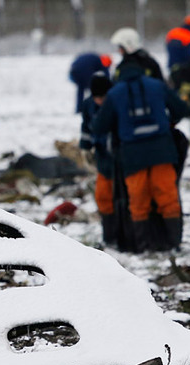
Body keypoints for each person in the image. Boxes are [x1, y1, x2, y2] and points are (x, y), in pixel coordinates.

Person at [92, 63, 189, 252]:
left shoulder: (115, 93)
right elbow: (181, 109)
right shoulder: (157, 85)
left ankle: (143, 245)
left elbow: (100, 126)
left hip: (133, 157)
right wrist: (168, 122)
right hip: (162, 151)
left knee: (138, 201)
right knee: (167, 197)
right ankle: (173, 243)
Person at [79, 73, 116, 244]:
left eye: (103, 96)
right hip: (102, 157)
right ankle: (109, 235)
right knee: (103, 196)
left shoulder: (116, 103)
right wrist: (85, 148)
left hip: (119, 157)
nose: (99, 100)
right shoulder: (88, 105)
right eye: (96, 97)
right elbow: (86, 128)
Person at [166, 14, 190, 89]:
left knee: (173, 86)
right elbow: (188, 54)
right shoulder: (189, 36)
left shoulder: (173, 32)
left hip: (172, 64)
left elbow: (168, 47)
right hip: (183, 67)